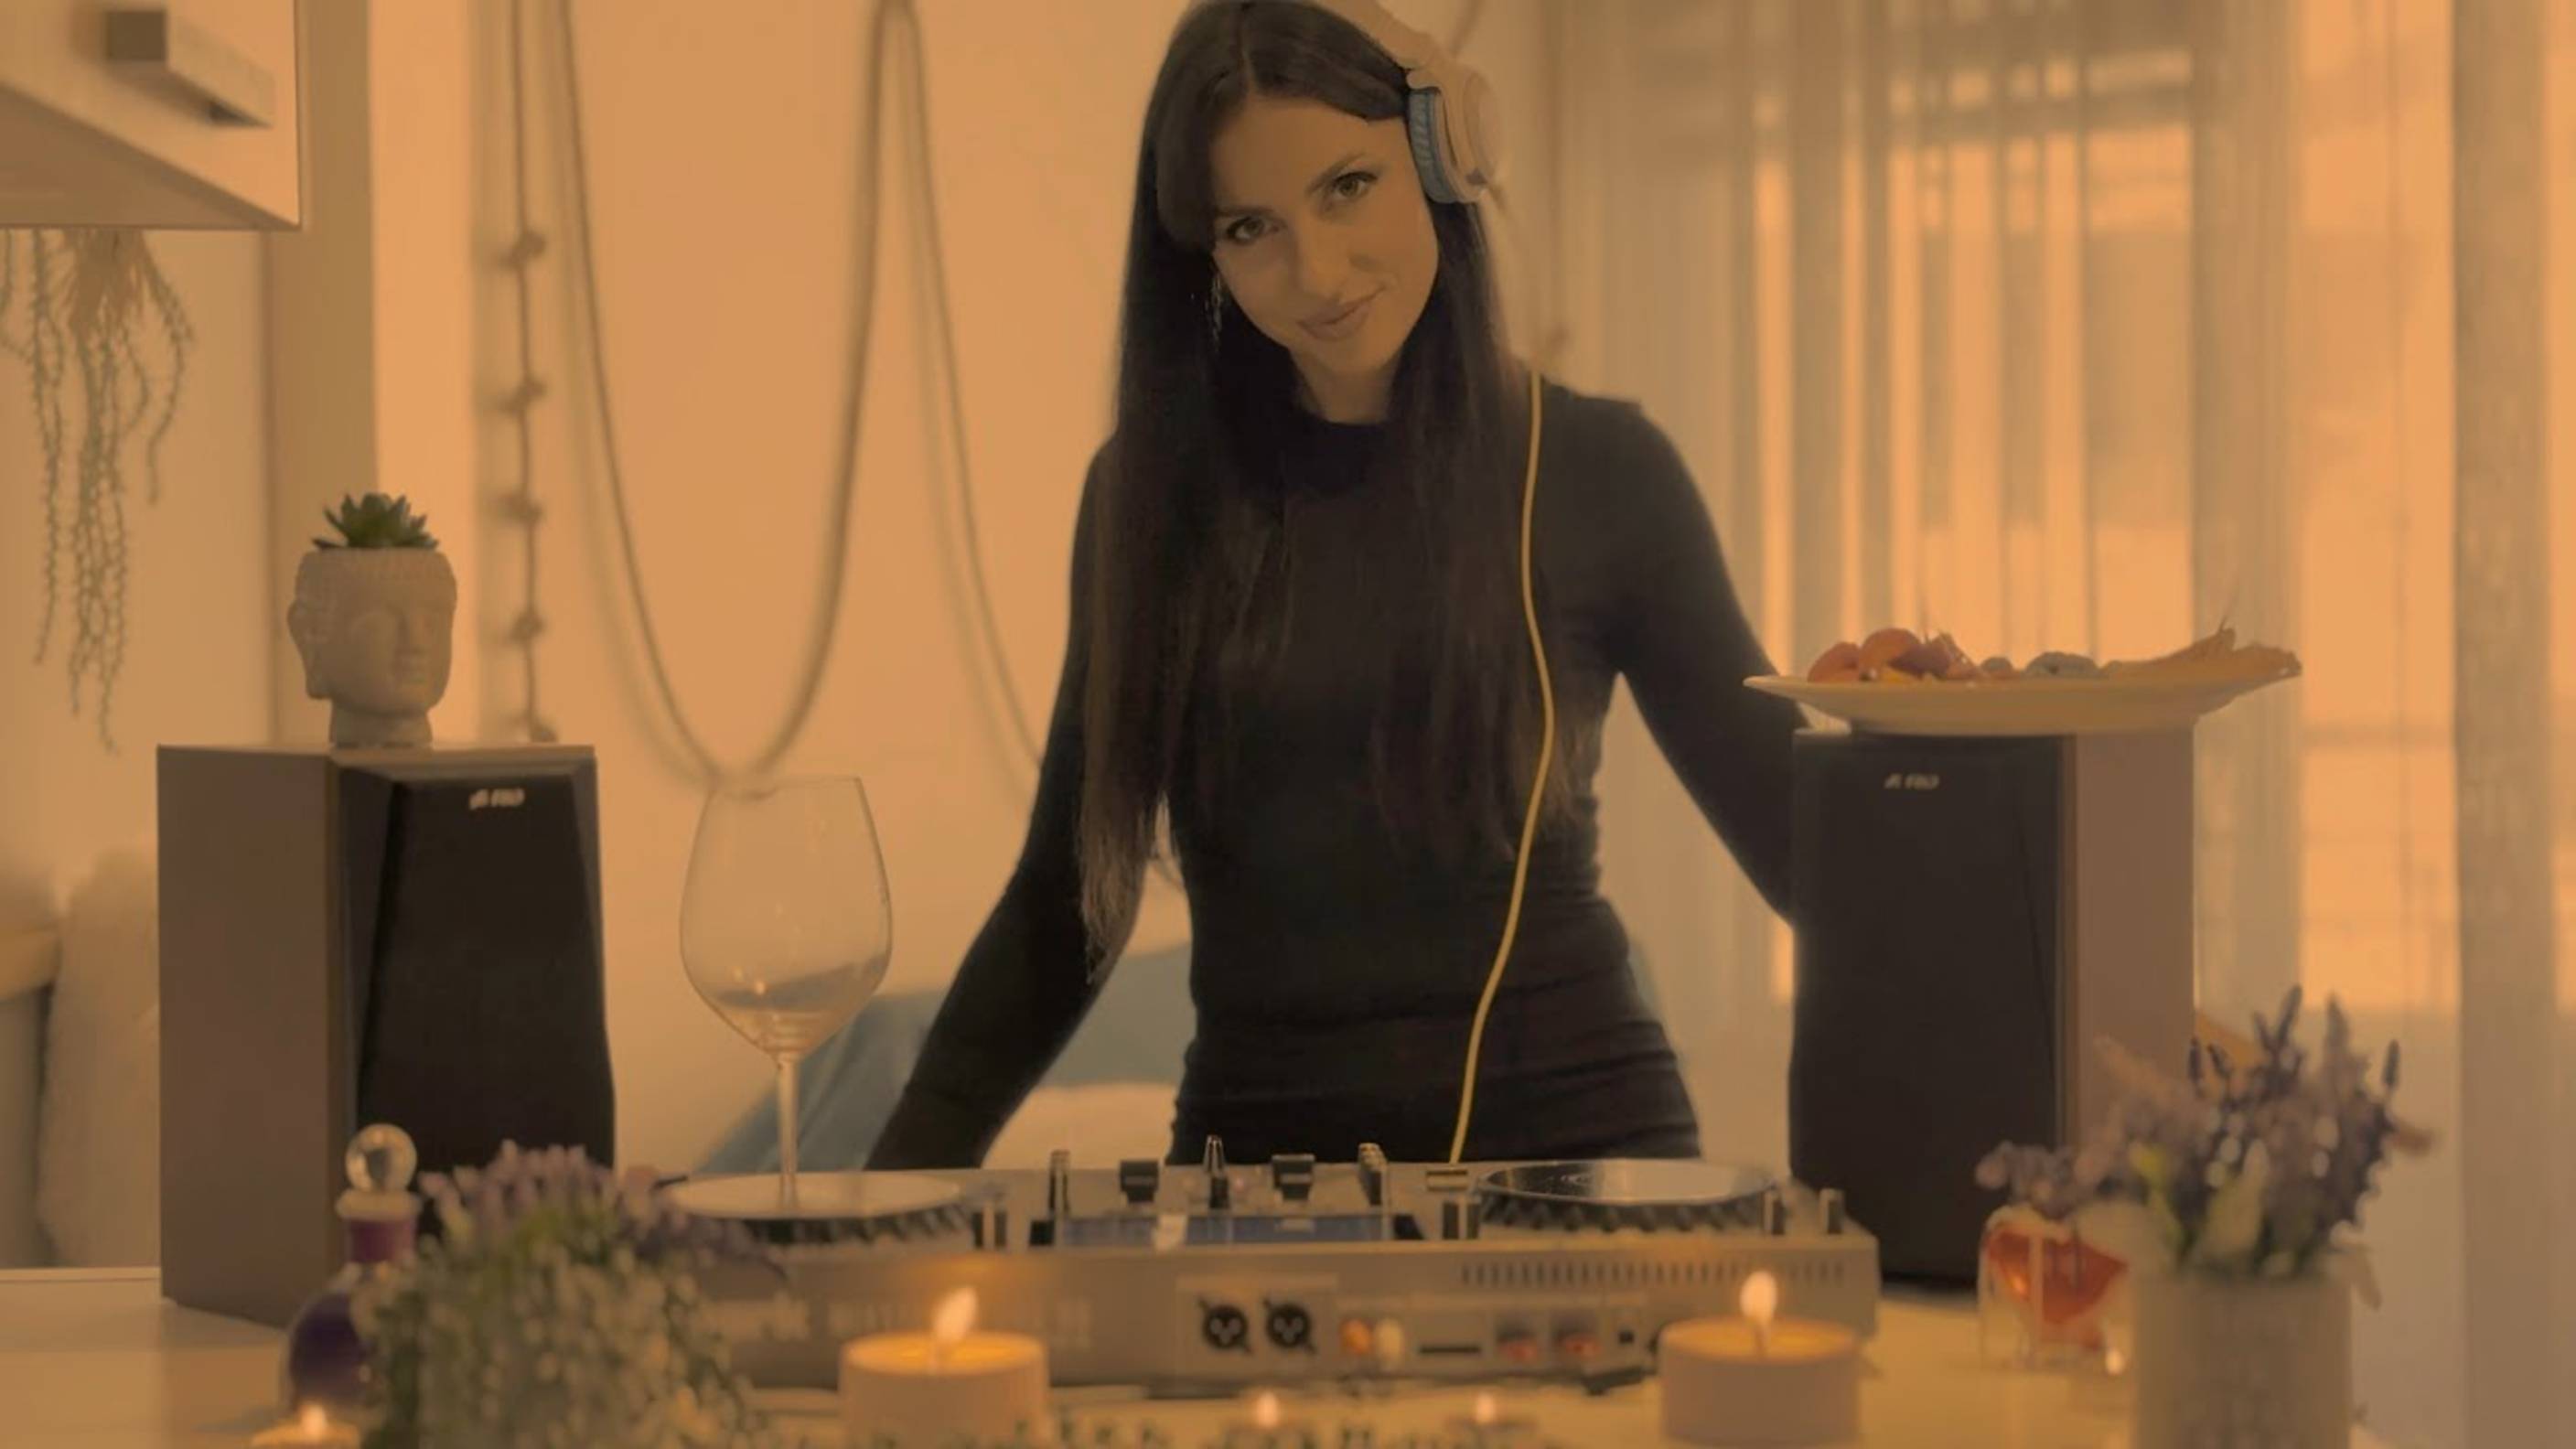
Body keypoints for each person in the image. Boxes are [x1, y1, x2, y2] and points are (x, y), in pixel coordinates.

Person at [866, 0, 1804, 1170]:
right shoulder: (1149, 500)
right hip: (1259, 1179)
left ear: (1440, 158)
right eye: (1250, 226)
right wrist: (873, 1212)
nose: (1314, 271)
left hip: (1581, 1166)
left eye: (1347, 187)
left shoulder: (1600, 474)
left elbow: (1808, 852)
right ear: (1203, 255)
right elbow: (1067, 903)